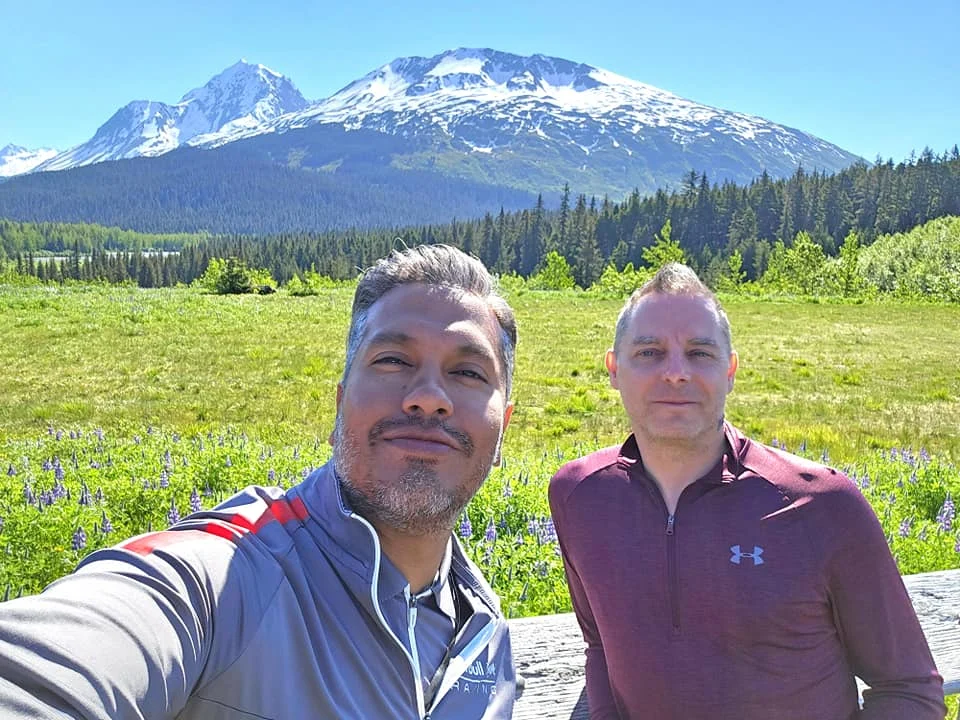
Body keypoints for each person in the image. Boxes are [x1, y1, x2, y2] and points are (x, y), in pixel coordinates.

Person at [0, 244, 518, 719]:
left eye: (468, 372)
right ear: (338, 409)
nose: (427, 396)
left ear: (503, 430)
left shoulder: (484, 632)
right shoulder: (223, 582)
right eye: (392, 360)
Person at [548, 262, 946, 720]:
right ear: (614, 369)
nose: (676, 373)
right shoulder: (579, 497)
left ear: (730, 370)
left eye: (700, 353)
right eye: (649, 353)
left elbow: (909, 688)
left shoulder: (821, 506)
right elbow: (599, 641)